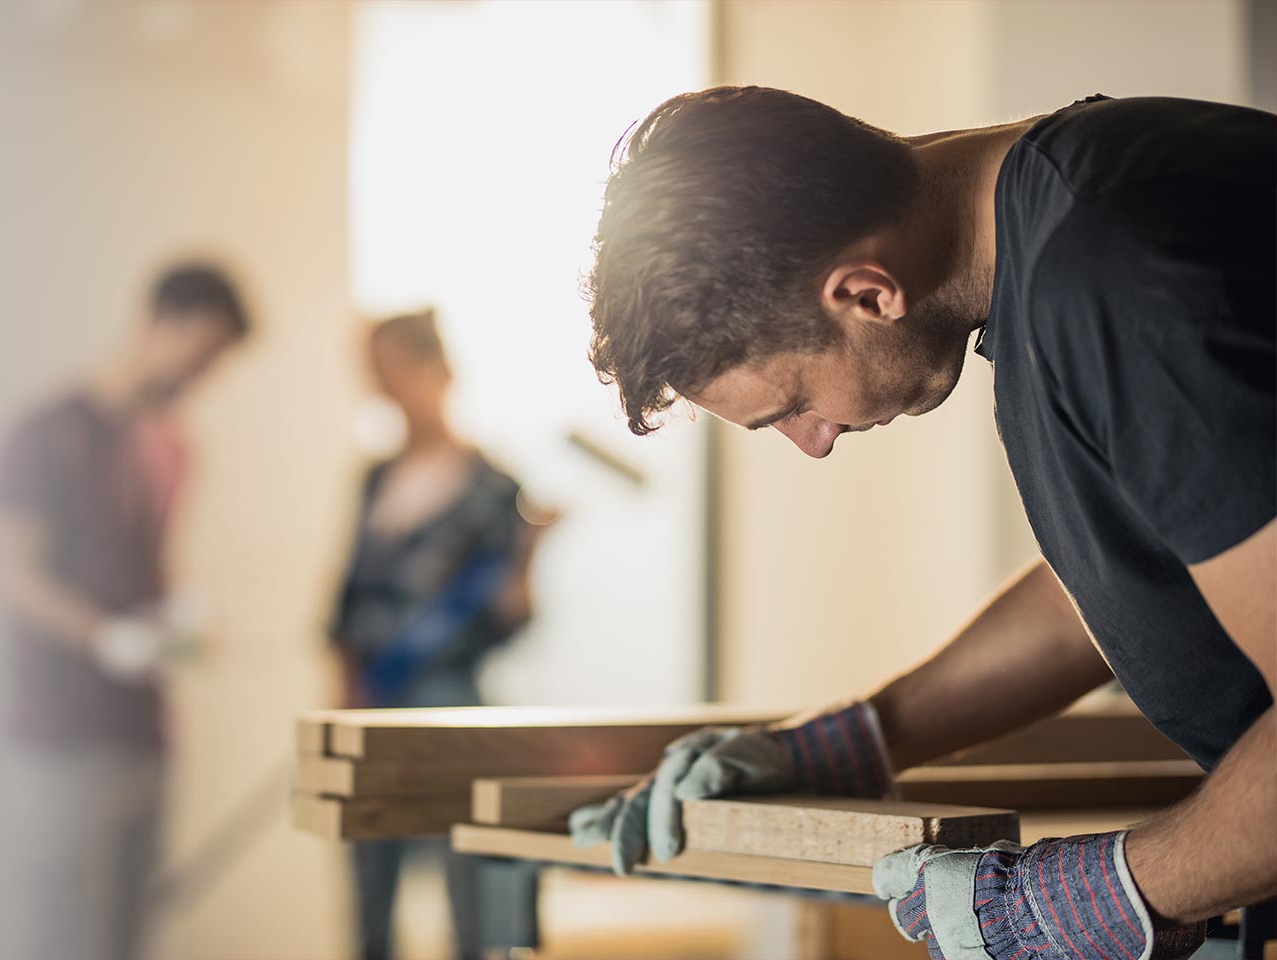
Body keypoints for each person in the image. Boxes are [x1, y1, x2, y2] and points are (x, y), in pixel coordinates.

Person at [566, 87, 1273, 959]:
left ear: (867, 292)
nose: (813, 443)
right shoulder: (1065, 230)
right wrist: (843, 745)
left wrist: (1096, 895)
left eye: (789, 406)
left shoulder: (1123, 272)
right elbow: (1141, 568)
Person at [0, 262, 249, 960]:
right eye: (203, 350)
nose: (205, 373)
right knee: (64, 935)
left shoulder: (172, 446)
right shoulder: (44, 434)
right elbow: (14, 575)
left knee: (132, 936)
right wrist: (104, 638)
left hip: (145, 735)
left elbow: (159, 565)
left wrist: (185, 619)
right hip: (62, 735)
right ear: (160, 320)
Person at [330, 309, 551, 960]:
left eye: (394, 371)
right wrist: (343, 696)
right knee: (370, 885)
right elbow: (344, 602)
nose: (385, 388)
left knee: (470, 886)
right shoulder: (373, 478)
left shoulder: (493, 487)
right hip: (372, 703)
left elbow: (509, 621)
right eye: (375, 375)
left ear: (435, 370)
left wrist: (526, 563)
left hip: (451, 701)